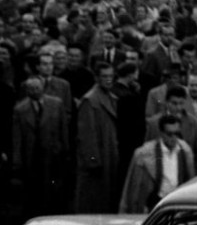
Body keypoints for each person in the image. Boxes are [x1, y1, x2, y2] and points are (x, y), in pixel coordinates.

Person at [12, 76, 69, 218]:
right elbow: (17, 137)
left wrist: (65, 149)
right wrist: (17, 160)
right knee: (33, 192)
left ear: (42, 88)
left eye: (37, 88)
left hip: (53, 154)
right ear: (26, 91)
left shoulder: (56, 104)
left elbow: (63, 129)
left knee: (53, 189)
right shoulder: (20, 109)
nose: (35, 91)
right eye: (31, 89)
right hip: (31, 156)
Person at [119, 114, 195, 213]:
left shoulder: (185, 151)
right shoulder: (144, 153)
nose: (173, 138)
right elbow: (133, 187)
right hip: (155, 203)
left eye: (176, 134)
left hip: (177, 203)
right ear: (161, 133)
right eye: (169, 134)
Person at [75, 62, 121, 213]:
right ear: (96, 78)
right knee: (94, 202)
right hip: (98, 161)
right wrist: (94, 162)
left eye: (111, 76)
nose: (108, 80)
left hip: (109, 155)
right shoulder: (90, 100)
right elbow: (87, 135)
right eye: (104, 76)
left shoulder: (111, 97)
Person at [144, 86, 197, 174]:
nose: (178, 107)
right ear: (167, 102)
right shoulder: (153, 124)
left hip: (184, 174)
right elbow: (146, 153)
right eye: (174, 103)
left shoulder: (194, 124)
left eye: (181, 103)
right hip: (159, 173)